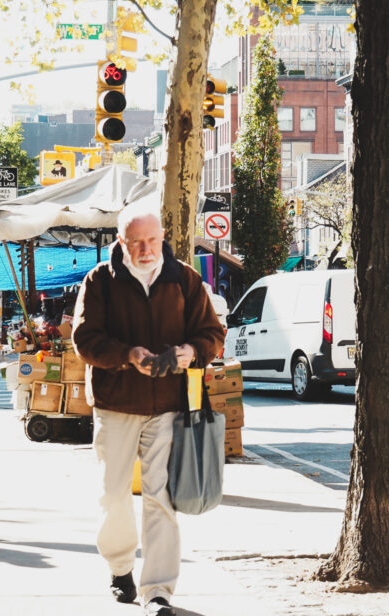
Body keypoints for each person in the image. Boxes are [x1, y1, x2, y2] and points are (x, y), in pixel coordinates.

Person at [73, 207, 225, 616]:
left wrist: (191, 352)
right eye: (136, 242)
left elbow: (212, 333)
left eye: (152, 240)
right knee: (113, 496)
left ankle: (158, 590)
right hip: (116, 403)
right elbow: (85, 340)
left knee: (160, 499)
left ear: (163, 238)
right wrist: (128, 355)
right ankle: (120, 566)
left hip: (166, 407)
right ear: (121, 241)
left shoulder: (185, 280)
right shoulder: (100, 281)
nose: (145, 249)